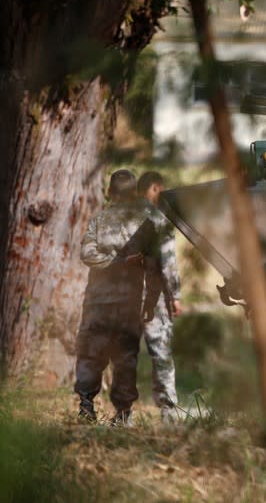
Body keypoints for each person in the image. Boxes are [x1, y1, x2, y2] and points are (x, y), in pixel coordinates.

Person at [75, 169, 159, 426]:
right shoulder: (145, 224)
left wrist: (113, 262)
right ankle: (123, 413)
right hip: (128, 302)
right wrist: (151, 303)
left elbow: (87, 254)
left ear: (110, 192)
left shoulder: (99, 220)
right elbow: (156, 267)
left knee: (92, 352)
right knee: (125, 356)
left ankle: (86, 406)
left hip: (98, 301)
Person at [137, 171, 182, 423]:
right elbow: (168, 263)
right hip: (151, 296)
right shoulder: (158, 220)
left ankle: (122, 411)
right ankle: (168, 412)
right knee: (161, 349)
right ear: (154, 188)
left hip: (120, 296)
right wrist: (175, 295)